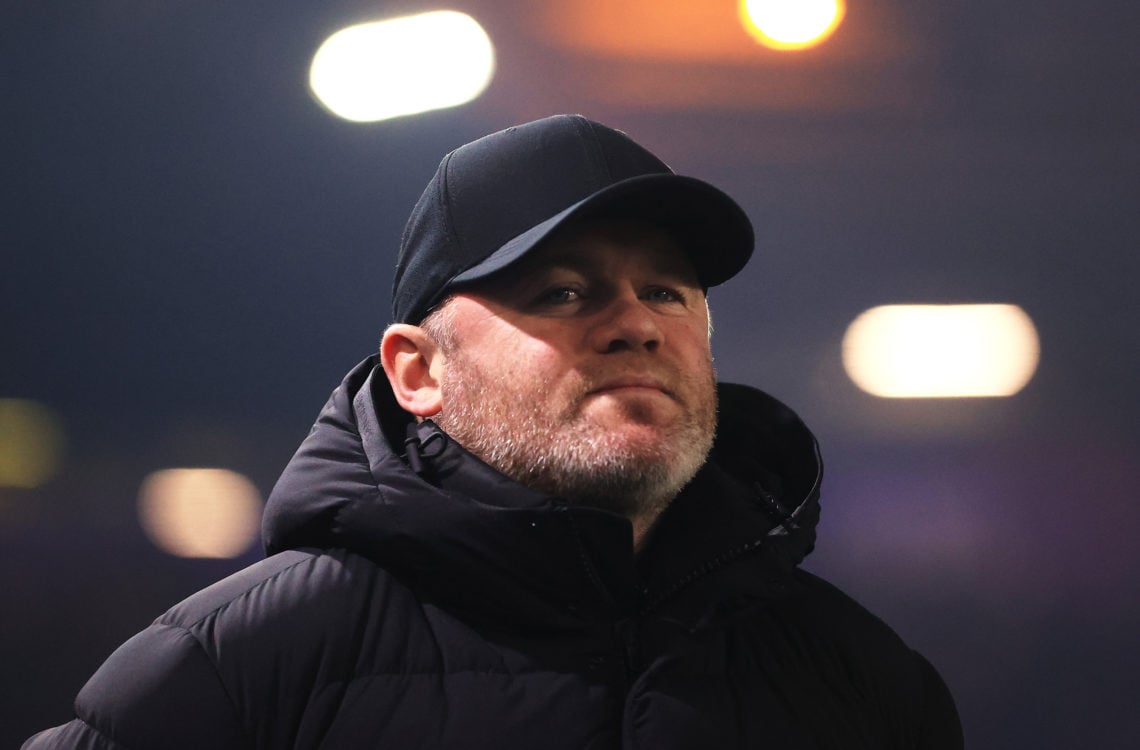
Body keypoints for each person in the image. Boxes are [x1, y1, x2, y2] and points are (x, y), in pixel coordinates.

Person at [25, 114, 962, 748]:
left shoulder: (868, 681)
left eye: (667, 291)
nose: (636, 321)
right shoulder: (239, 664)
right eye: (561, 290)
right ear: (418, 372)